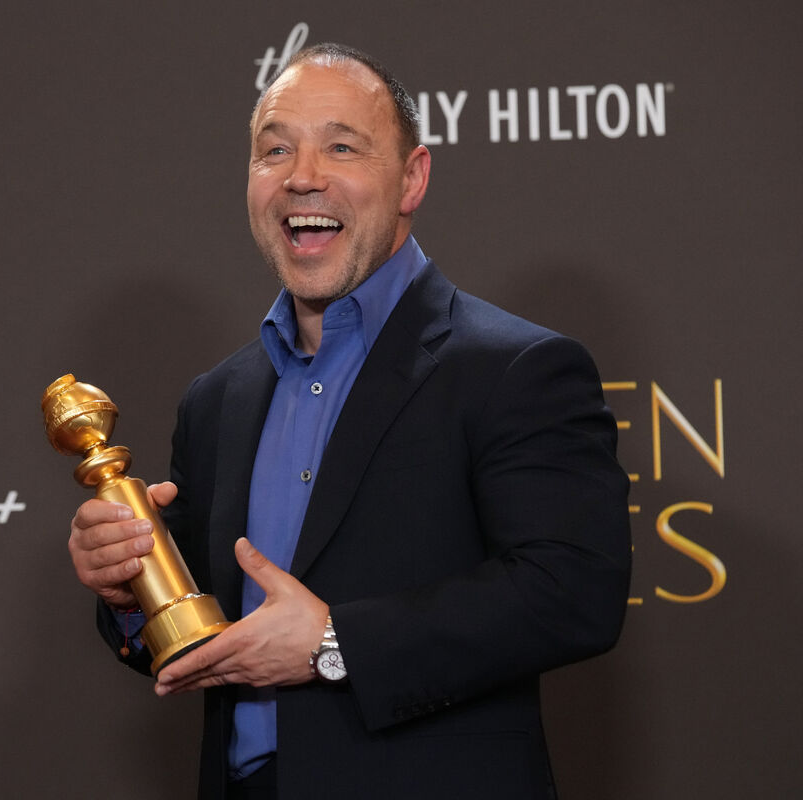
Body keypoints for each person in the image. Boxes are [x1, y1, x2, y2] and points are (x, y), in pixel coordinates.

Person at [67, 43, 631, 800]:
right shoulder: (216, 400)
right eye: (275, 151)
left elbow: (573, 592)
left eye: (342, 146)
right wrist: (128, 585)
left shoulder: (515, 368)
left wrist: (335, 643)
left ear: (413, 178)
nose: (303, 175)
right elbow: (197, 634)